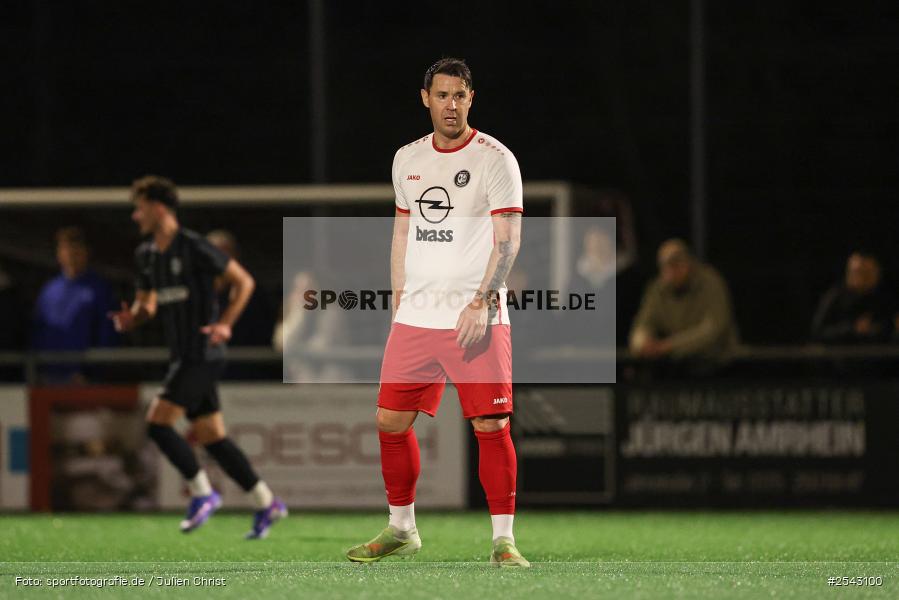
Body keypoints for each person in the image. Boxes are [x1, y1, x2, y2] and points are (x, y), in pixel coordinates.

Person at [346, 58, 529, 567]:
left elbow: (508, 242)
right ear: (425, 98)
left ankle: (503, 542)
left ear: (472, 99)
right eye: (442, 95)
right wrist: (397, 301)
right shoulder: (406, 159)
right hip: (417, 317)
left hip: (477, 318)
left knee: (491, 427)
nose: (451, 105)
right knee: (389, 420)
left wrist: (482, 302)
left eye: (460, 96)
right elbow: (402, 233)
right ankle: (402, 528)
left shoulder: (497, 159)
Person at [109, 175, 285, 538]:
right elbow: (148, 305)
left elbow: (244, 282)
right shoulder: (146, 256)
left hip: (203, 351)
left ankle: (203, 494)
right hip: (182, 354)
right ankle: (266, 502)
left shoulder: (193, 247)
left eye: (139, 208)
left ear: (158, 208)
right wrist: (133, 318)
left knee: (157, 423)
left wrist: (225, 324)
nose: (134, 216)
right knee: (211, 436)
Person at [629, 239, 738, 374]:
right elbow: (642, 324)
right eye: (666, 266)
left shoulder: (711, 282)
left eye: (676, 264)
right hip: (676, 368)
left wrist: (669, 346)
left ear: (688, 263)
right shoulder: (657, 288)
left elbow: (713, 329)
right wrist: (642, 343)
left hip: (718, 366)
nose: (671, 271)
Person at [31, 227, 118, 383]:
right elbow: (37, 332)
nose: (71, 254)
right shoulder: (48, 291)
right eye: (65, 248)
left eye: (76, 248)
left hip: (84, 381)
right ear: (58, 254)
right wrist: (37, 370)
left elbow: (107, 335)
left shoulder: (99, 290)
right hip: (48, 378)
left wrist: (91, 373)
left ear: (86, 252)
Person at [811, 251, 894, 343]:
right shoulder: (836, 297)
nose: (864, 278)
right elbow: (818, 332)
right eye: (860, 273)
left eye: (869, 273)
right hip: (841, 354)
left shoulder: (885, 297)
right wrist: (852, 329)